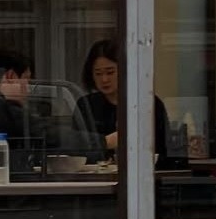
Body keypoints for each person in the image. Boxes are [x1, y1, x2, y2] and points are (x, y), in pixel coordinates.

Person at [72, 38, 171, 166]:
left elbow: (162, 147)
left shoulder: (147, 102)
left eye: (110, 72)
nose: (104, 79)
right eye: (98, 73)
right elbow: (76, 148)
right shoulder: (86, 104)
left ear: (126, 69)